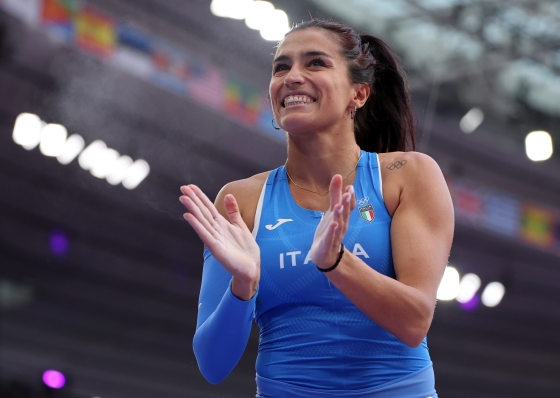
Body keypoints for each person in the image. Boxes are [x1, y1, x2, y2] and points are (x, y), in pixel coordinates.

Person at [179, 19, 454, 398]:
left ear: (358, 94)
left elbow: (414, 322)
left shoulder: (407, 176)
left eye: (315, 63)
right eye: (281, 67)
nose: (292, 77)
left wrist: (337, 263)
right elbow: (212, 365)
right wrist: (242, 287)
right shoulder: (240, 201)